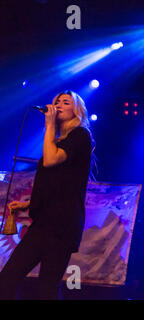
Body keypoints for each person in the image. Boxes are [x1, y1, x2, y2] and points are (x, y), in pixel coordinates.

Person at [0, 90, 93, 299]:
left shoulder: (81, 135)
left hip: (63, 224)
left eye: (65, 102)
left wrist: (49, 126)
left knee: (47, 288)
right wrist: (28, 204)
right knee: (7, 278)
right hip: (44, 222)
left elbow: (51, 161)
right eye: (56, 101)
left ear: (76, 111)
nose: (58, 105)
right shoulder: (57, 141)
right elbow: (55, 183)